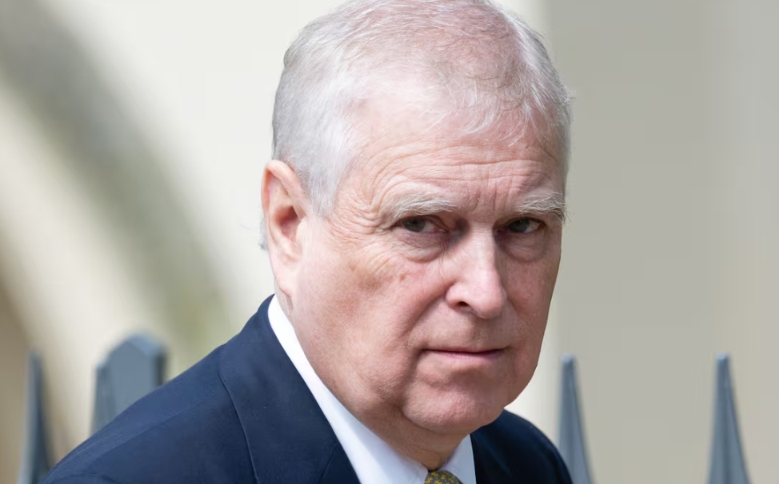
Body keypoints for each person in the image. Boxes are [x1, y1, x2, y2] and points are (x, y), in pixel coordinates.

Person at [42, 0, 573, 482]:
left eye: (523, 226)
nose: (485, 292)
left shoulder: (529, 466)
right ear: (289, 224)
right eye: (420, 225)